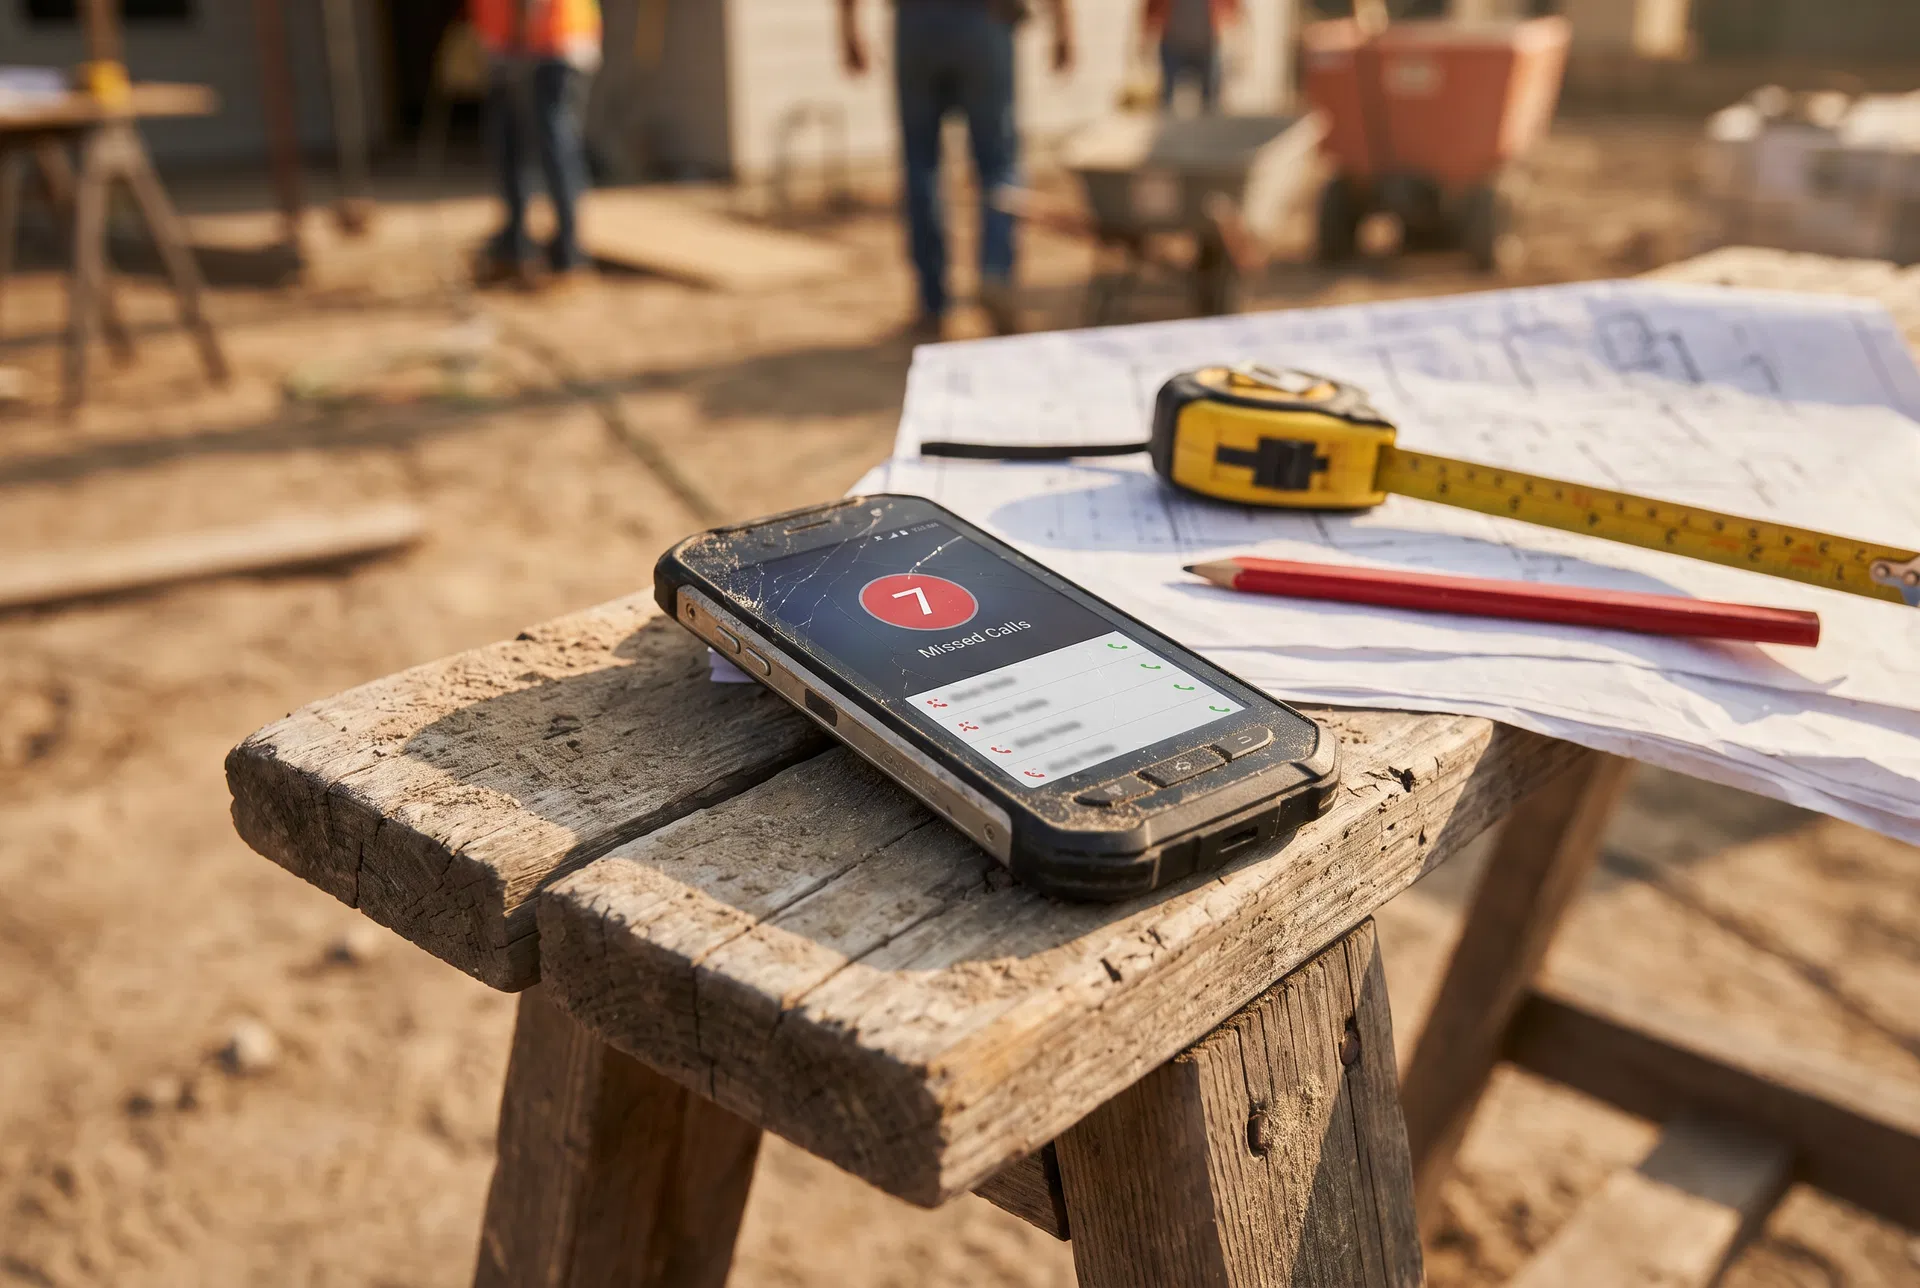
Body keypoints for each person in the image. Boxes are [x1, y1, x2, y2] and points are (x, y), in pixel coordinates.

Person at [840, 0, 1075, 337]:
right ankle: (996, 272)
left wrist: (848, 29)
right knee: (997, 165)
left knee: (921, 167)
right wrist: (1064, 27)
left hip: (916, 25)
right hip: (984, 23)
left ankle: (932, 300)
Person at [468, 0, 602, 285]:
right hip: (519, 47)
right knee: (513, 145)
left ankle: (568, 252)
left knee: (553, 145)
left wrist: (521, 38)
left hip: (547, 44)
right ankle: (515, 247)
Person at [1142, 0, 1236, 114]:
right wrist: (1145, 38)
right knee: (1166, 100)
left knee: (1211, 100)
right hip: (1173, 45)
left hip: (1206, 46)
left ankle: (1210, 125)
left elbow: (1231, 9)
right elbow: (1151, 10)